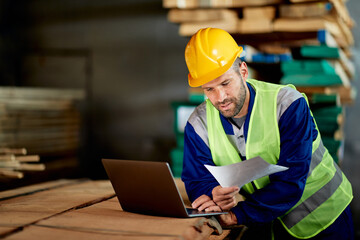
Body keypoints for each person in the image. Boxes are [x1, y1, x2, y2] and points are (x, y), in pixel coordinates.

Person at [181, 27, 354, 239]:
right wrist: (211, 193)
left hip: (325, 219)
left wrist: (237, 215)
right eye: (209, 89)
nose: (220, 97)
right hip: (269, 225)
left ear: (243, 71)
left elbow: (292, 178)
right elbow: (196, 179)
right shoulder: (198, 124)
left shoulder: (289, 105)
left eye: (226, 83)